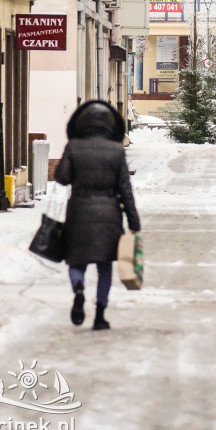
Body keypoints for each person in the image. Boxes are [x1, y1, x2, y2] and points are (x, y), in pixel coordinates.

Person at [54, 100, 141, 330]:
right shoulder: (116, 151)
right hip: (109, 214)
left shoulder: (74, 146)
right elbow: (125, 189)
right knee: (105, 266)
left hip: (78, 212)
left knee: (76, 260)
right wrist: (133, 220)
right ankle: (100, 315)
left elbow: (61, 178)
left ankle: (79, 288)